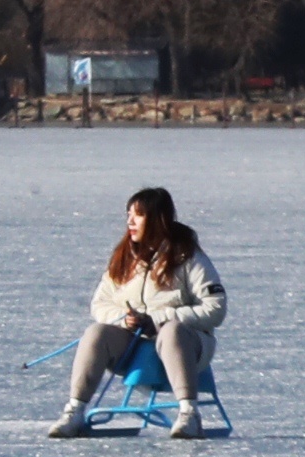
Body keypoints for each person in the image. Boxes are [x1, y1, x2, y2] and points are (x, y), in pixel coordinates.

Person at [53, 187, 227, 437]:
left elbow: (215, 308)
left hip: (188, 345)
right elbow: (100, 304)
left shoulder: (189, 257)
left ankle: (189, 414)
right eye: (128, 215)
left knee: (172, 332)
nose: (129, 222)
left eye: (138, 215)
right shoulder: (124, 258)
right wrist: (126, 319)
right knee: (96, 333)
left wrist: (157, 320)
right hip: (134, 346)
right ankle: (75, 411)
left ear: (158, 219)